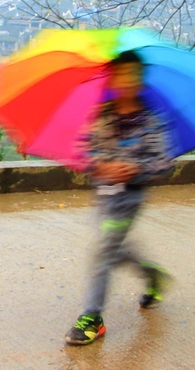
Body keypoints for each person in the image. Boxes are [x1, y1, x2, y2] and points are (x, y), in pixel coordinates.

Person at [65, 49, 176, 346]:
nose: (127, 80)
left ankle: (93, 316)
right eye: (122, 75)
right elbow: (84, 152)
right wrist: (102, 166)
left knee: (104, 251)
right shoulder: (102, 115)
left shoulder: (151, 121)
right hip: (105, 195)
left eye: (133, 75)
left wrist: (134, 169)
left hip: (130, 197)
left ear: (140, 80)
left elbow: (164, 163)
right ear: (113, 79)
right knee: (114, 248)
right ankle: (152, 275)